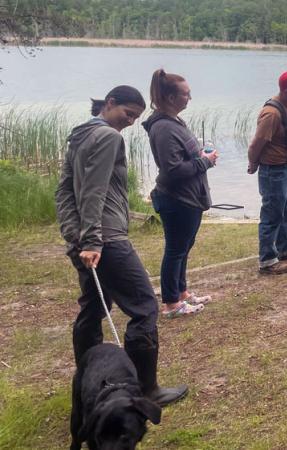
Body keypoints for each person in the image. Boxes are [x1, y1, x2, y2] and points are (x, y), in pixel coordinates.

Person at [55, 85, 188, 406]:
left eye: (136, 117)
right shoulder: (108, 137)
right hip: (106, 239)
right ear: (109, 103)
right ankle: (145, 390)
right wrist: (91, 240)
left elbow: (64, 191)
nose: (130, 122)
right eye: (128, 114)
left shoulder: (79, 136)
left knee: (93, 307)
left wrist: (74, 235)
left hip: (86, 239)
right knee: (144, 307)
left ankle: (89, 383)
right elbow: (94, 191)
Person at [142, 69, 217, 318]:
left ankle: (181, 293)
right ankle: (171, 304)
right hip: (177, 199)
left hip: (187, 198)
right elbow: (173, 169)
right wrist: (205, 162)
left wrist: (201, 157)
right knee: (175, 250)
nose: (189, 98)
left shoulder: (173, 122)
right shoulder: (163, 128)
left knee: (183, 247)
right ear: (171, 97)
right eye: (186, 94)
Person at [247, 70, 287, 274]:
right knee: (272, 215)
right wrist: (253, 163)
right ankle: (267, 260)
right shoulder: (272, 113)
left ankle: (284, 247)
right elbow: (256, 144)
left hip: (286, 169)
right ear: (286, 91)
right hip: (273, 172)